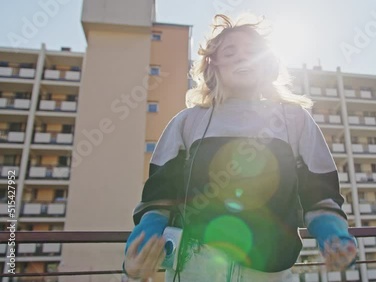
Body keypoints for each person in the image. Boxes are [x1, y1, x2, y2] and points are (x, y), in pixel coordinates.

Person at [122, 14, 357, 282]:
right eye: (230, 52)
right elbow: (160, 197)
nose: (242, 57)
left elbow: (320, 194)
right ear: (214, 66)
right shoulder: (187, 122)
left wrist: (332, 232)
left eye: (252, 52)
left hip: (272, 273)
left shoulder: (296, 120)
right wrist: (145, 236)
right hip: (193, 271)